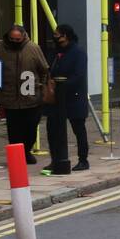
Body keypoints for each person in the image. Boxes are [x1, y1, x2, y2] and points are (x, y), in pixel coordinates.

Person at [0, 24, 48, 165]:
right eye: (12, 39)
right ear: (8, 37)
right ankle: (17, 157)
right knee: (14, 131)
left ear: (23, 36)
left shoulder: (33, 48)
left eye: (17, 39)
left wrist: (41, 87)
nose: (14, 42)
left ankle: (26, 151)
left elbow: (44, 69)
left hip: (31, 96)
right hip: (10, 97)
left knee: (31, 128)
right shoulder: (1, 48)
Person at [49, 24, 90, 171]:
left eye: (57, 34)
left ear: (65, 36)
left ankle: (83, 160)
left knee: (78, 129)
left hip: (74, 97)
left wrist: (61, 84)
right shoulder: (56, 52)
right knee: (54, 129)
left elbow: (78, 76)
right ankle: (56, 159)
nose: (54, 37)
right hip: (57, 98)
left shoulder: (78, 52)